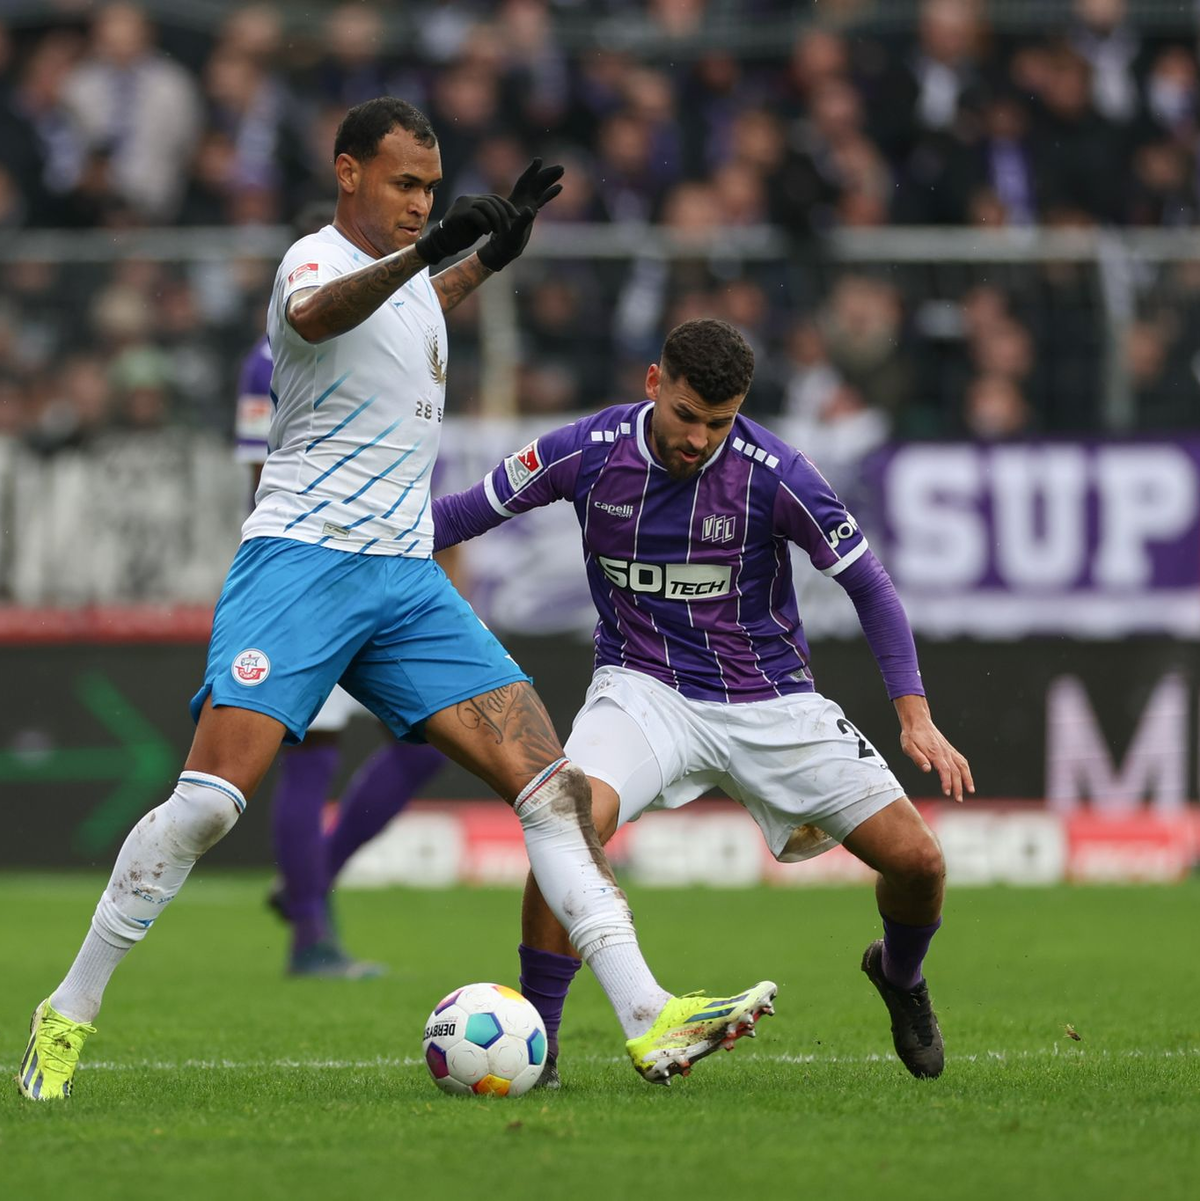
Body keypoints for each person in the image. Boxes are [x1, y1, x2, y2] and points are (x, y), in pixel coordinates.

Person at [17, 99, 776, 1102]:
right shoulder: (313, 260)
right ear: (348, 173)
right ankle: (66, 1012)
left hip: (405, 575)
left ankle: (649, 1015)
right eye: (403, 184)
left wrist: (485, 261)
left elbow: (414, 306)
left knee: (552, 786)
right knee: (208, 805)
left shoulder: (417, 276)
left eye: (430, 187)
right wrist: (433, 256)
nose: (420, 202)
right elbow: (328, 317)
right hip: (300, 562)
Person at [433, 318, 973, 1084]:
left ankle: (901, 976)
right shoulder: (584, 453)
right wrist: (350, 546)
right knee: (568, 821)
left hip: (772, 699)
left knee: (918, 863)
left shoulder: (774, 470)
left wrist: (913, 711)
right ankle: (541, 1045)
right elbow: (458, 516)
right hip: (642, 688)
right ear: (655, 384)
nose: (699, 438)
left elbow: (869, 584)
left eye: (719, 423)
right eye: (687, 415)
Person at [235, 323, 444, 978]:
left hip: (385, 571)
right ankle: (310, 938)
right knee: (311, 757)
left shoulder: (397, 342)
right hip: (308, 577)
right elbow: (260, 471)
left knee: (429, 741)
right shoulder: (268, 361)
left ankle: (310, 880)